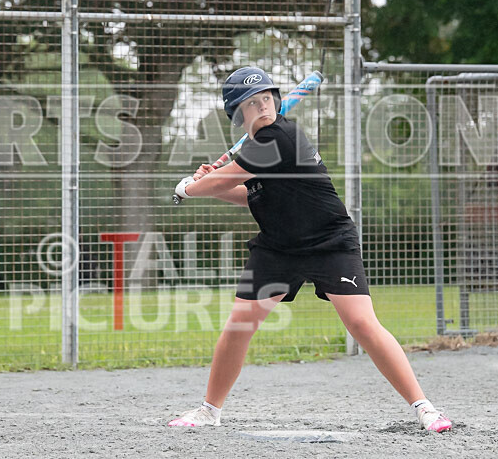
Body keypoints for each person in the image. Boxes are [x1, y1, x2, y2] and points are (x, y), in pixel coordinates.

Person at [167, 67, 452, 433]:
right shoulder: (257, 151)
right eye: (252, 103)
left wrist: (191, 187)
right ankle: (209, 411)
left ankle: (425, 407)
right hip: (278, 247)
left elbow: (227, 179)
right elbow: (248, 193)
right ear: (238, 115)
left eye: (267, 99)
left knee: (362, 323)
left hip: (328, 242)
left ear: (277, 101)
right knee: (240, 324)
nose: (263, 107)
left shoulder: (279, 137)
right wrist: (210, 184)